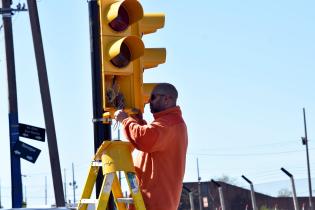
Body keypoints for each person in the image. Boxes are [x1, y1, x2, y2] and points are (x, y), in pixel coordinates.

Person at [114, 83, 188, 210]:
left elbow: (144, 138)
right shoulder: (168, 123)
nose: (149, 102)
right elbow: (149, 139)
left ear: (167, 99)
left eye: (153, 97)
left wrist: (126, 120)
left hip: (155, 203)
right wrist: (137, 121)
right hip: (149, 201)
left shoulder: (170, 123)